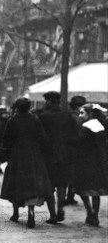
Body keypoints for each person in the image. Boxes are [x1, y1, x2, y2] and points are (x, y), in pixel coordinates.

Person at [0, 98, 53, 229]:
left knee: (15, 182)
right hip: (33, 154)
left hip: (17, 154)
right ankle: (31, 211)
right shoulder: (35, 120)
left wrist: (6, 155)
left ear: (17, 107)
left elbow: (6, 140)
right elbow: (43, 138)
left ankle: (16, 212)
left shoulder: (12, 120)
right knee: (32, 183)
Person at [38, 91, 78, 224]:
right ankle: (60, 208)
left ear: (49, 102)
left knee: (49, 185)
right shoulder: (68, 116)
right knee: (62, 185)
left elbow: (41, 138)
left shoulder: (43, 117)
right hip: (65, 156)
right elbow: (74, 136)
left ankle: (53, 215)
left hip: (48, 156)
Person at [73, 103, 108, 226]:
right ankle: (95, 214)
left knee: (83, 188)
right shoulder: (101, 126)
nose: (80, 115)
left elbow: (78, 143)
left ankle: (90, 211)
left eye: (82, 113)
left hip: (85, 161)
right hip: (99, 161)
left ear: (90, 114)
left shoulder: (85, 127)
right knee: (96, 191)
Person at [65, 95, 87, 205]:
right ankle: (70, 196)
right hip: (74, 148)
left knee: (69, 173)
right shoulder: (77, 118)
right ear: (78, 107)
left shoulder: (69, 116)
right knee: (72, 173)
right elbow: (79, 134)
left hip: (68, 147)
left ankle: (69, 195)